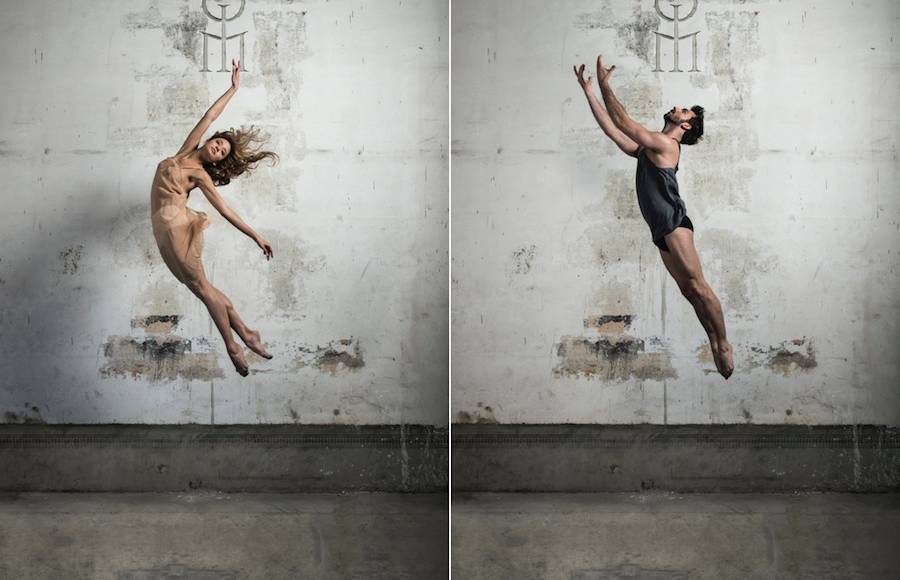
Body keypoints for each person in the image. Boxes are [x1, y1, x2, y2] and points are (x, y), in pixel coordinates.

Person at [574, 54, 734, 379]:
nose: (678, 107)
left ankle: (723, 343)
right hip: (660, 229)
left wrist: (607, 85)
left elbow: (624, 122)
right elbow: (613, 131)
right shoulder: (648, 149)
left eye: (684, 111)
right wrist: (590, 91)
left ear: (684, 126)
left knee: (699, 286)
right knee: (687, 290)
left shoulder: (666, 145)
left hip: (675, 223)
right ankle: (712, 339)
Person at [149, 58, 278, 376]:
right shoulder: (185, 151)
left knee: (204, 291)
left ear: (217, 161)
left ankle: (234, 345)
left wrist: (255, 235)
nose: (218, 148)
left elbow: (225, 210)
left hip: (177, 228)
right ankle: (248, 333)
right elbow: (210, 115)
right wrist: (232, 89)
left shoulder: (200, 176)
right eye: (218, 143)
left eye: (222, 151)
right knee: (204, 288)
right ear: (209, 141)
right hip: (162, 230)